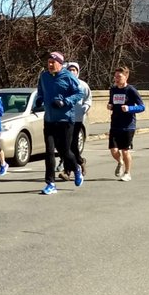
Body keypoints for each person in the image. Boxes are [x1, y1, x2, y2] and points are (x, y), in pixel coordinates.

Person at [36, 51, 81, 194]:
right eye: (48, 62)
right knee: (49, 152)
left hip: (65, 120)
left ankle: (77, 168)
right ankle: (50, 183)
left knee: (65, 152)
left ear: (60, 64)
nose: (50, 65)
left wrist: (65, 102)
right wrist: (39, 99)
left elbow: (79, 93)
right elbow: (40, 92)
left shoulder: (68, 76)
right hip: (49, 120)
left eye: (53, 62)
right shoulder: (43, 77)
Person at [107, 65, 145, 181]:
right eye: (115, 76)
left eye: (119, 76)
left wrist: (129, 109)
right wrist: (110, 106)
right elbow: (112, 102)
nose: (116, 79)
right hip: (115, 124)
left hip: (128, 125)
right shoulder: (113, 90)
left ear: (126, 77)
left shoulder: (131, 90)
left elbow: (142, 107)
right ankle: (120, 162)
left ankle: (127, 173)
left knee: (125, 150)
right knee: (113, 150)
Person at [63, 62, 91, 179]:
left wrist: (85, 108)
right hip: (64, 118)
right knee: (65, 145)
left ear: (78, 72)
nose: (72, 72)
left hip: (77, 118)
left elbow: (88, 100)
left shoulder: (83, 85)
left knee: (73, 145)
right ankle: (67, 171)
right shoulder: (63, 84)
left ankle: (80, 161)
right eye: (70, 70)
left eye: (74, 70)